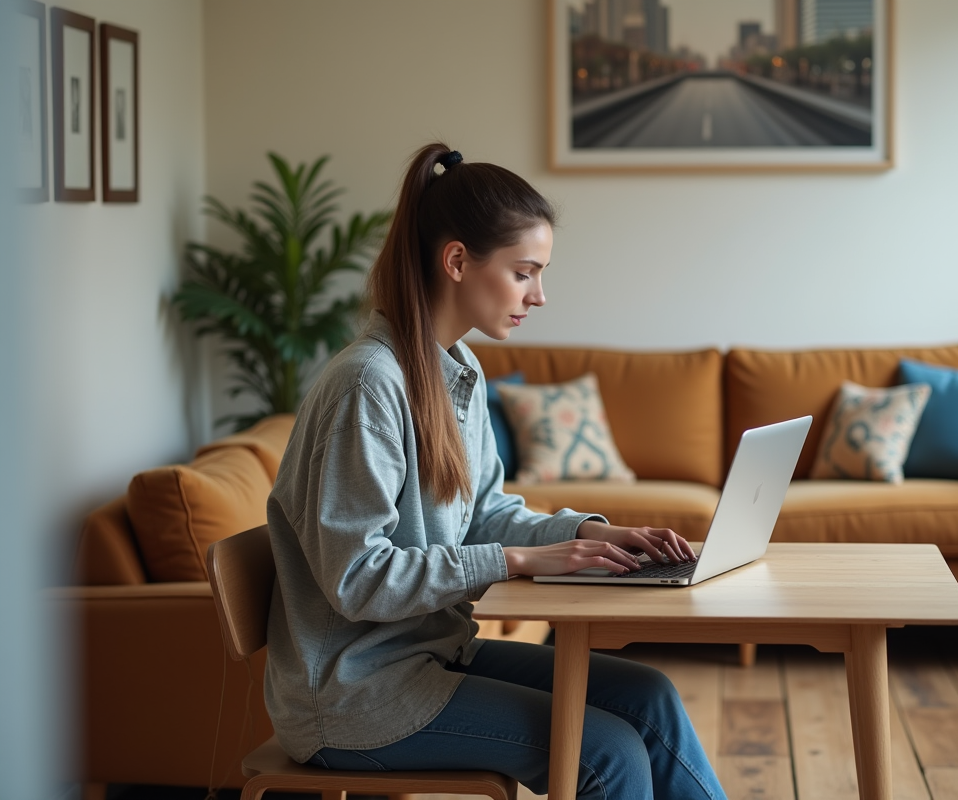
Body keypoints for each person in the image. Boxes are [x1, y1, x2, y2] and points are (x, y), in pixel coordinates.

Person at [264, 142, 727, 799]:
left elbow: (486, 514)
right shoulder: (365, 387)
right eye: (524, 272)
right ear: (457, 260)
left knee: (647, 696)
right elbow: (356, 578)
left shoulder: (456, 371)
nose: (540, 295)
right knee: (608, 753)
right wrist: (514, 562)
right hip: (356, 694)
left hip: (433, 653)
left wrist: (598, 534)